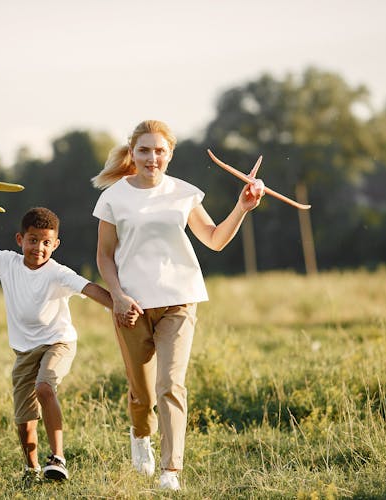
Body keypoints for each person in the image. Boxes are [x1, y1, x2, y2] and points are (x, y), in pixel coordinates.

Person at [91, 120, 264, 491]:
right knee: (142, 392)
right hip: (132, 306)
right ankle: (141, 435)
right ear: (132, 153)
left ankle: (171, 471)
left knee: (171, 383)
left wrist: (242, 207)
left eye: (159, 151)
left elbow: (215, 240)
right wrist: (118, 296)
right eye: (144, 150)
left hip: (179, 301)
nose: (152, 157)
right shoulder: (113, 197)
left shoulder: (185, 194)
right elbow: (104, 257)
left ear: (169, 154)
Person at [0, 189, 130, 485]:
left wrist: (122, 303)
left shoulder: (58, 272)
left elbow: (91, 289)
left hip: (58, 342)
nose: (39, 247)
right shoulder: (7, 262)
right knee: (24, 420)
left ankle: (58, 458)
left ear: (55, 244)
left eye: (46, 242)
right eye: (33, 240)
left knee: (45, 388)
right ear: (20, 240)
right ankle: (32, 468)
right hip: (24, 351)